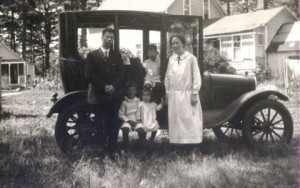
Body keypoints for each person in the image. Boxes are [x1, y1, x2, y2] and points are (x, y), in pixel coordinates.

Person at [85, 28, 125, 158]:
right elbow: (90, 75)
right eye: (107, 37)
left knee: (113, 123)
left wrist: (114, 86)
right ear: (101, 38)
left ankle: (112, 149)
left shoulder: (116, 55)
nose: (109, 40)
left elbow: (122, 73)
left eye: (111, 38)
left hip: (113, 96)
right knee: (99, 123)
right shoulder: (92, 55)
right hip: (98, 95)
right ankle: (100, 151)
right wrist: (104, 86)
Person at [164, 34, 203, 144]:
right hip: (174, 95)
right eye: (173, 43)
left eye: (177, 43)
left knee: (189, 120)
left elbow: (196, 76)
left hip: (187, 94)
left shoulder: (191, 58)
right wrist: (167, 93)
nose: (175, 45)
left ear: (183, 44)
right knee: (176, 120)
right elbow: (167, 77)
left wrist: (195, 93)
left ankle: (191, 144)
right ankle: (178, 144)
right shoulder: (171, 59)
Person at [118, 82, 145, 147]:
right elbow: (120, 114)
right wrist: (128, 120)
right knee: (125, 130)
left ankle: (141, 147)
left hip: (137, 121)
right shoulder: (124, 102)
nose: (131, 92)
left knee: (142, 131)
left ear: (136, 91)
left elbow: (142, 112)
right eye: (129, 90)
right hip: (127, 121)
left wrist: (140, 120)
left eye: (133, 90)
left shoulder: (139, 101)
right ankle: (126, 147)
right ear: (126, 91)